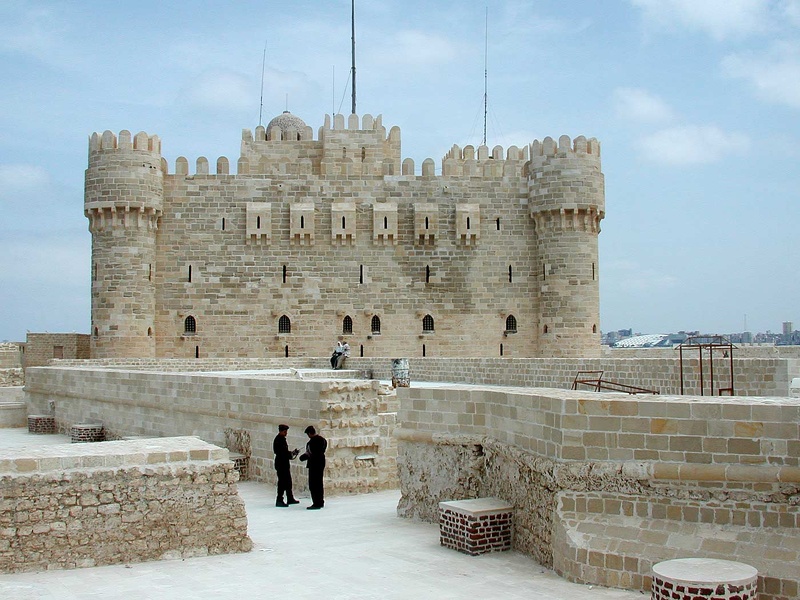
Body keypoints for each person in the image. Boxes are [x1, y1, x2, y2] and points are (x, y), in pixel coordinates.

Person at [299, 425, 327, 509]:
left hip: (314, 465)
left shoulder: (311, 443)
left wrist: (302, 457)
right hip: (321, 463)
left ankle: (316, 503)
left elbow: (310, 453)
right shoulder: (323, 440)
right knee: (319, 483)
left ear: (309, 433)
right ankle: (320, 501)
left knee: (313, 484)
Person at [272, 424, 300, 507]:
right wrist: (291, 454)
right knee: (282, 482)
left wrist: (292, 453)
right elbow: (282, 453)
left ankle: (290, 498)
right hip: (281, 464)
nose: (286, 433)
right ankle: (279, 499)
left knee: (288, 481)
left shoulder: (281, 439)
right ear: (281, 431)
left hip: (284, 463)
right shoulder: (278, 440)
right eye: (285, 431)